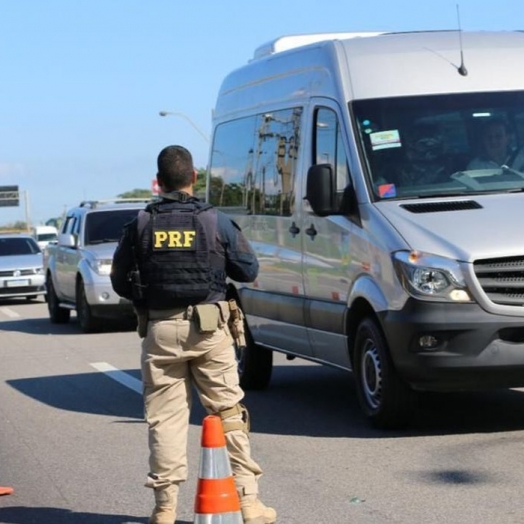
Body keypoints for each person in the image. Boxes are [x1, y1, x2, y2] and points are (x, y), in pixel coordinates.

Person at [110, 145, 276, 524]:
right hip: (209, 328)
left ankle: (164, 509)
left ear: (158, 181)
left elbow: (120, 281)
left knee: (165, 420)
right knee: (228, 412)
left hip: (160, 329)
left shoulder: (139, 224)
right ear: (194, 178)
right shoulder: (214, 221)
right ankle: (249, 504)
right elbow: (248, 270)